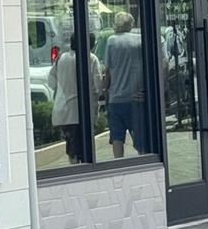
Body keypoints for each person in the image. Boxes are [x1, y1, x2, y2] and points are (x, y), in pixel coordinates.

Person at [46, 33, 101, 165]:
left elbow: (51, 82)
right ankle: (81, 169)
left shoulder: (62, 58)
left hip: (64, 111)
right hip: (83, 111)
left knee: (72, 146)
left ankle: (74, 166)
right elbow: (98, 85)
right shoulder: (91, 58)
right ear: (90, 45)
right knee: (84, 146)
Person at [104, 11, 147, 157]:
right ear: (131, 24)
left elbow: (108, 71)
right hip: (136, 98)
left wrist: (105, 90)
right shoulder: (139, 40)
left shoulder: (111, 41)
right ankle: (144, 162)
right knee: (140, 138)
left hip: (116, 98)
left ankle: (119, 164)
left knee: (117, 138)